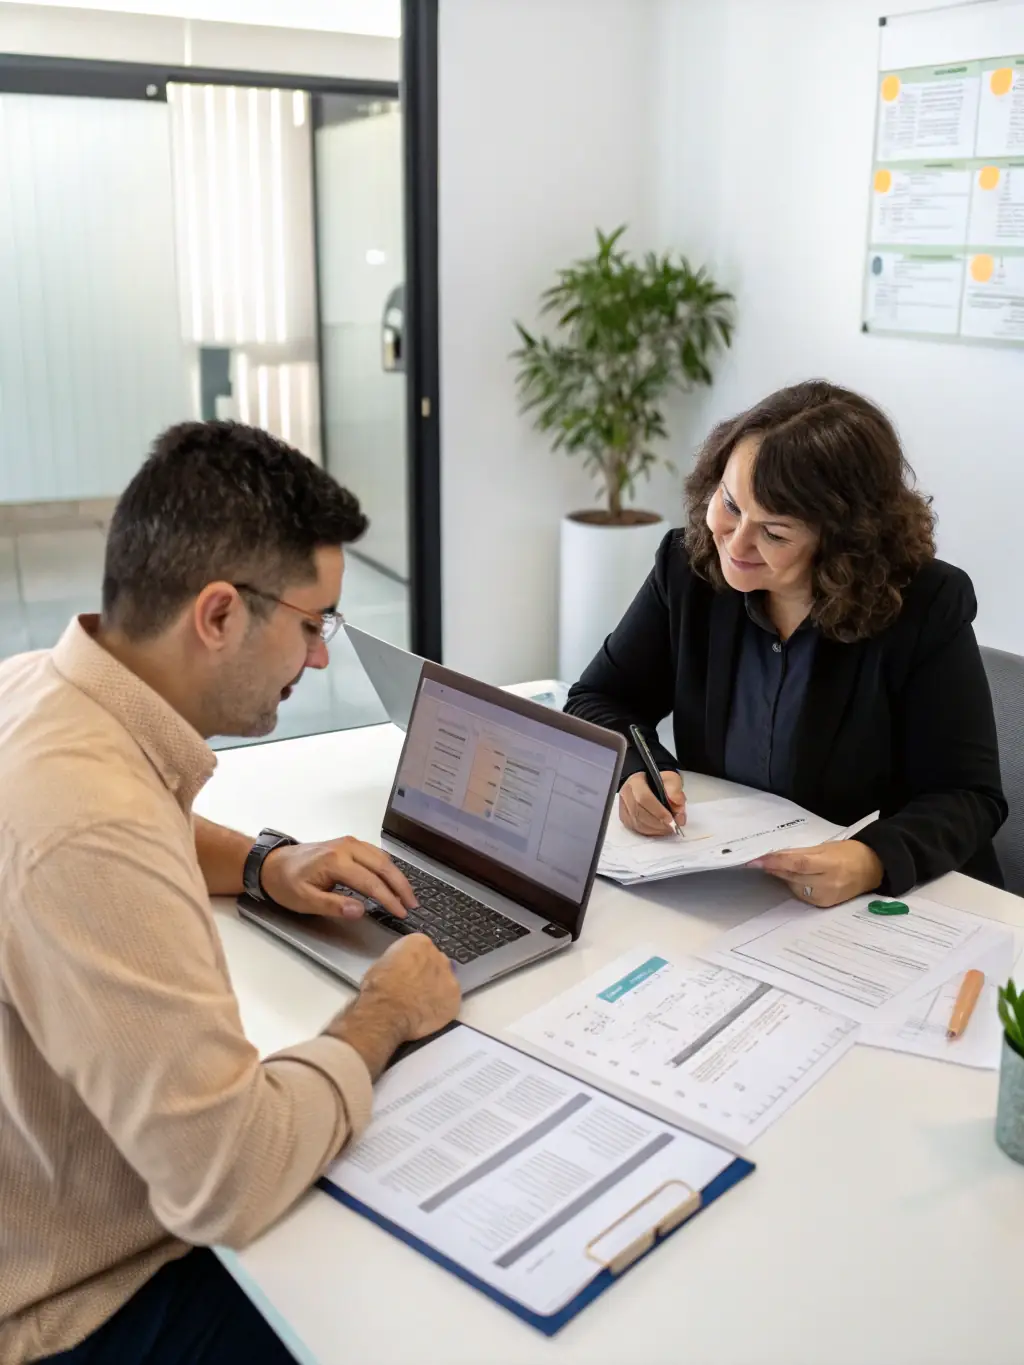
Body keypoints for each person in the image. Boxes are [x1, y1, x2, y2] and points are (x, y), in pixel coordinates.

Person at [0, 422, 462, 1365]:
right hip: (75, 1305)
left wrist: (265, 864)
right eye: (312, 624)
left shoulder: (36, 693)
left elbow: (142, 824)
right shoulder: (93, 832)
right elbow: (230, 1178)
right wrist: (379, 1016)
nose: (321, 660)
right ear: (216, 615)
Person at [566, 381, 1006, 907]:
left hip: (890, 907)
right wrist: (637, 771)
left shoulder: (925, 603)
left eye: (774, 532)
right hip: (734, 890)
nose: (735, 540)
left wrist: (873, 858)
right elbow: (599, 697)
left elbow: (968, 797)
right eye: (729, 504)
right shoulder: (688, 569)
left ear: (844, 541)